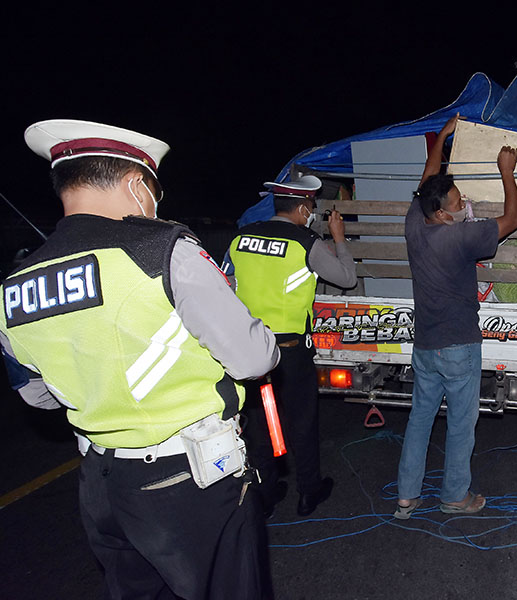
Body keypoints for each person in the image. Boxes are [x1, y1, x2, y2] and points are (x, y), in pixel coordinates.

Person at [0, 119, 280, 599]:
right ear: (134, 185)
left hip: (101, 487)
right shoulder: (164, 251)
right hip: (188, 482)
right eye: (154, 189)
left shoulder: (16, 284)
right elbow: (254, 358)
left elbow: (37, 395)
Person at [393, 114, 517, 519]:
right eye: (457, 201)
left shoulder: (415, 225)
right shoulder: (462, 236)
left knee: (419, 420)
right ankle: (454, 497)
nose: (463, 202)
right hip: (459, 348)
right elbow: (513, 220)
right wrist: (506, 172)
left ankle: (406, 497)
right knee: (461, 426)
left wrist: (444, 138)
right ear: (444, 214)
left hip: (426, 347)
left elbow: (427, 181)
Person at [222, 178, 356, 517]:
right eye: (311, 207)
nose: (311, 213)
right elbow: (346, 278)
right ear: (301, 208)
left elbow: (224, 284)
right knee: (302, 421)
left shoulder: (241, 238)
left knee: (258, 420)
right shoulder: (305, 242)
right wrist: (339, 238)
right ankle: (309, 491)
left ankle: (266, 492)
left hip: (250, 346)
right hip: (289, 350)